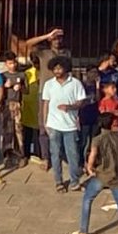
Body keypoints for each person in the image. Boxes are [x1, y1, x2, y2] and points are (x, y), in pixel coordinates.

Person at [41, 56, 86, 192]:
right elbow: (46, 104)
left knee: (72, 154)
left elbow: (81, 102)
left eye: (59, 68)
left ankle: (74, 181)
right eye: (55, 68)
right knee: (55, 154)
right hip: (53, 125)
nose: (57, 71)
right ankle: (58, 181)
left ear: (66, 68)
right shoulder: (49, 84)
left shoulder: (76, 83)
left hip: (70, 125)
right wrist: (45, 123)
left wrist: (70, 107)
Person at [0, 55, 26, 167]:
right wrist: (5, 87)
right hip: (6, 104)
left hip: (17, 104)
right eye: (10, 63)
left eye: (14, 63)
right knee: (7, 129)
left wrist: (20, 87)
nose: (13, 65)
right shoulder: (3, 76)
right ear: (6, 64)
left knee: (18, 129)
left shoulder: (21, 75)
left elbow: (26, 90)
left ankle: (21, 154)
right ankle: (7, 154)